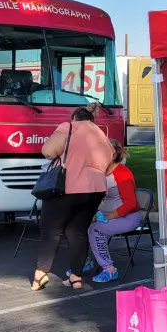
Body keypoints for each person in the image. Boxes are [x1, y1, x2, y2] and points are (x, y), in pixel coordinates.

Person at [32, 105, 114, 291]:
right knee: (77, 231)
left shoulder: (68, 127)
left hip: (68, 187)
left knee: (51, 230)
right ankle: (76, 278)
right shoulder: (100, 134)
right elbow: (110, 161)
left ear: (75, 117)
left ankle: (40, 274)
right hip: (95, 190)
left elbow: (48, 151)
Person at [85, 142, 142, 284]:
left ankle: (109, 269)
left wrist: (108, 216)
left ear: (113, 155)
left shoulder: (122, 173)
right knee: (77, 225)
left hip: (127, 217)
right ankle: (84, 261)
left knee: (96, 229)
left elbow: (130, 204)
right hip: (105, 215)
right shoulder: (100, 171)